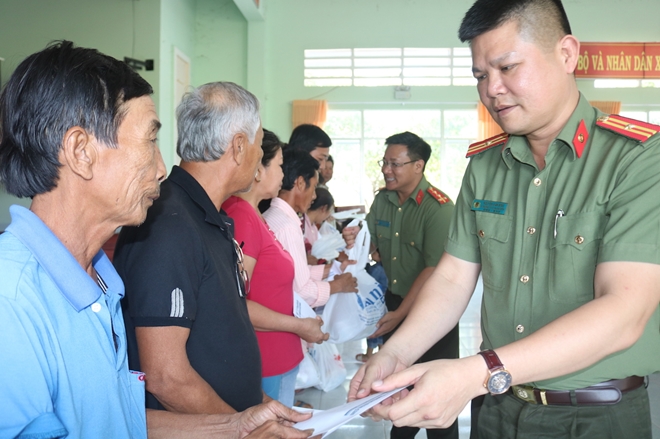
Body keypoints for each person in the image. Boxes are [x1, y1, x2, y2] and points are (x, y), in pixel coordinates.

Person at [348, 1, 660, 438]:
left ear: (567, 54)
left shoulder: (638, 159)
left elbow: (624, 311)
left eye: (508, 67)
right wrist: (396, 354)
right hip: (498, 409)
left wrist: (477, 373)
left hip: (594, 415)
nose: (492, 89)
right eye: (480, 75)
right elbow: (454, 277)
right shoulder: (485, 166)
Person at [0, 41, 312, 439]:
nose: (163, 167)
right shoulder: (10, 301)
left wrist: (236, 426)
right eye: (149, 141)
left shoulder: (99, 282)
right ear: (82, 151)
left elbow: (115, 421)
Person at [114, 82, 271, 416]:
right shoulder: (168, 225)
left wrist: (263, 408)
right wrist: (242, 430)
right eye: (259, 143)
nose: (260, 156)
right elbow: (165, 377)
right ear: (239, 146)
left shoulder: (205, 215)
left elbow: (215, 335)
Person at [344, 131, 458, 439]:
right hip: (393, 302)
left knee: (437, 390)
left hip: (434, 309)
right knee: (395, 387)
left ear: (418, 165)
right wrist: (354, 241)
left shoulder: (439, 209)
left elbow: (435, 270)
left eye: (395, 163)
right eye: (385, 162)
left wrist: (402, 314)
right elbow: (368, 242)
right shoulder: (383, 200)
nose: (386, 170)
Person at [222, 129, 329, 407]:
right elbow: (235, 302)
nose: (283, 175)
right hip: (266, 356)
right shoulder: (242, 217)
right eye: (280, 166)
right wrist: (299, 325)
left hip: (279, 352)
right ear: (258, 170)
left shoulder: (254, 215)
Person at [264, 148, 357, 308]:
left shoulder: (275, 216)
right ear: (300, 183)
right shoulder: (286, 227)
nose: (314, 196)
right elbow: (301, 291)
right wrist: (338, 286)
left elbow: (297, 274)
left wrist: (335, 268)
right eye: (313, 187)